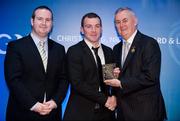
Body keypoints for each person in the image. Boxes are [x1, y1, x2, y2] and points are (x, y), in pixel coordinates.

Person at [4, 6, 68, 121]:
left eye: (48, 20)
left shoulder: (59, 49)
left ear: (52, 23)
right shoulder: (16, 46)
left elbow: (64, 79)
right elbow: (13, 80)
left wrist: (55, 102)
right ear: (32, 21)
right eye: (40, 19)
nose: (44, 23)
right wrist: (34, 105)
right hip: (23, 113)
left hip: (52, 113)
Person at [104, 7, 167, 120]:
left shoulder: (149, 43)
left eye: (125, 20)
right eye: (117, 22)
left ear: (135, 21)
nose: (121, 25)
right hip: (123, 112)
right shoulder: (116, 48)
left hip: (145, 112)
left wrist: (120, 82)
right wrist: (114, 86)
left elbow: (151, 77)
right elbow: (114, 79)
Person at [63, 12, 117, 120]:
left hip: (106, 113)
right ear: (82, 30)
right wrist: (105, 100)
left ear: (101, 29)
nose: (94, 30)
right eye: (89, 26)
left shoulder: (109, 52)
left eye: (97, 26)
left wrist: (114, 97)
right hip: (81, 113)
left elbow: (111, 79)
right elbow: (77, 84)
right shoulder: (74, 51)